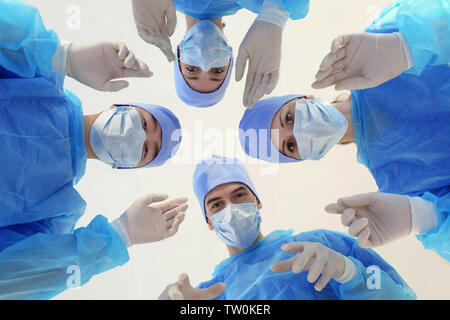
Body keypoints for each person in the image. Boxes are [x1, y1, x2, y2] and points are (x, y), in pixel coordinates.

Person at [0, 0, 187, 299]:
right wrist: (63, 56)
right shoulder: (40, 78)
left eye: (147, 150)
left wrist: (119, 236)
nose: (138, 137)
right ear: (119, 105)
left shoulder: (56, 212)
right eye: (145, 123)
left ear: (123, 166)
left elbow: (10, 279)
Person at [238, 0, 450, 261]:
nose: (302, 130)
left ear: (304, 97)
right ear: (304, 159)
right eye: (291, 146)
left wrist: (403, 47)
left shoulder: (374, 49)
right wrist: (421, 216)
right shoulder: (398, 182)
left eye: (290, 117)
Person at [158, 156, 416, 300]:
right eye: (216, 204)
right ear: (208, 221)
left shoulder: (317, 248)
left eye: (239, 195)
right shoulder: (208, 295)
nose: (231, 208)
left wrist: (348, 272)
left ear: (257, 202)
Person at [131, 0, 310, 108]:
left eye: (192, 69)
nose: (205, 63)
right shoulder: (259, 2)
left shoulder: (158, 4)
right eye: (217, 72)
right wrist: (275, 15)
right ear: (230, 57)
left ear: (178, 51)